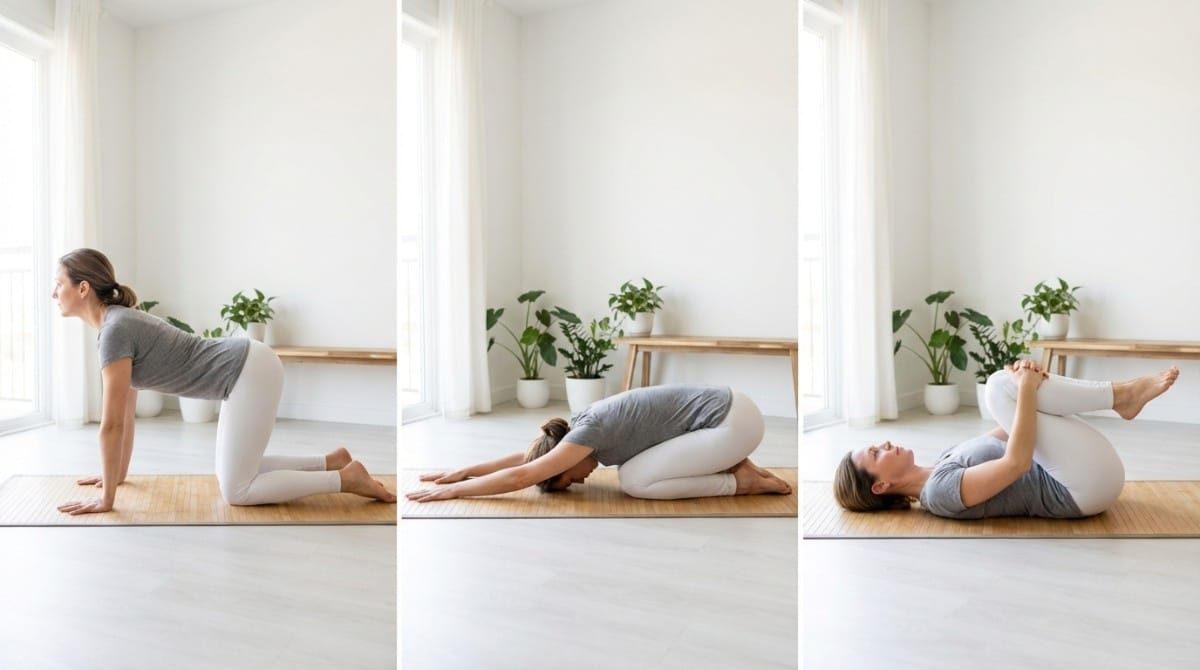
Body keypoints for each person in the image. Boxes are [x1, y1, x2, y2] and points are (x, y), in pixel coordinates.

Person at [51, 248, 396, 515]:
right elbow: (124, 416)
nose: (54, 293)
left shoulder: (115, 330)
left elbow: (110, 425)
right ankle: (332, 461)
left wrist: (106, 498)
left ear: (83, 288)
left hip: (247, 370)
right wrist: (116, 478)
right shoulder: (116, 325)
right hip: (246, 368)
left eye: (59, 284)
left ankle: (345, 479)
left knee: (238, 491)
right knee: (235, 473)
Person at [833, 359, 1179, 519]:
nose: (886, 444)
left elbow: (1009, 426)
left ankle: (1121, 398)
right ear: (880, 486)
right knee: (1001, 387)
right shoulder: (939, 493)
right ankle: (1121, 396)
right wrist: (1024, 388)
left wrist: (1024, 382)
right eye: (876, 454)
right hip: (1079, 491)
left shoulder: (944, 459)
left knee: (1004, 385)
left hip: (1082, 474)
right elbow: (1017, 462)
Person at [406, 384, 792, 502]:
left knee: (635, 481)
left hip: (732, 424)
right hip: (733, 414)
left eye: (566, 478)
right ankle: (739, 465)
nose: (579, 480)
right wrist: (467, 470)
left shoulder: (586, 434)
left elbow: (522, 474)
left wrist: (456, 492)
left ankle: (743, 481)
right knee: (634, 472)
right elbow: (528, 458)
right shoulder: (579, 429)